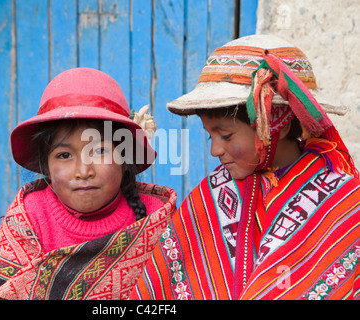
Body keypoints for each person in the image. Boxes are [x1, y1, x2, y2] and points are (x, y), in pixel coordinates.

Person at [130, 35, 360, 300]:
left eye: (225, 136)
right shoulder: (209, 198)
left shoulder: (343, 202)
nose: (214, 150)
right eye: (210, 136)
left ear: (279, 126)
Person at [0, 68, 177, 300]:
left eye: (99, 151)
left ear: (125, 158)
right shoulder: (29, 217)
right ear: (46, 166)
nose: (83, 171)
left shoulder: (156, 219)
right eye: (65, 155)